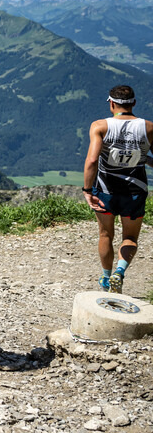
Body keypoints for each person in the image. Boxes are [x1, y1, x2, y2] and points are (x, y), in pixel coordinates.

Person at [83, 85, 153, 294]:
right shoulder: (149, 128)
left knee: (105, 235)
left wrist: (87, 189)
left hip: (105, 190)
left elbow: (92, 160)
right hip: (135, 190)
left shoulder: (100, 126)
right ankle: (119, 272)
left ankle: (106, 279)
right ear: (133, 103)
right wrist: (146, 159)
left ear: (112, 104)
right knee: (129, 238)